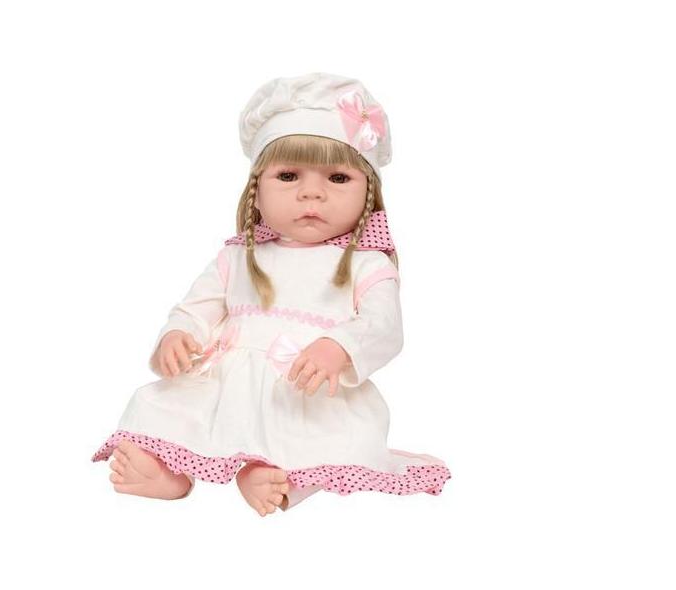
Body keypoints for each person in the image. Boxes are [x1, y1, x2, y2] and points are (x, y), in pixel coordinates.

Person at [91, 72, 452, 516]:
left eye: (338, 177)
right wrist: (178, 335)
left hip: (305, 392)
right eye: (288, 175)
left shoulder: (367, 264)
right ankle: (169, 474)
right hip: (227, 389)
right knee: (161, 407)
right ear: (256, 191)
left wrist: (339, 347)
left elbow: (384, 326)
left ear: (368, 193)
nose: (312, 192)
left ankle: (273, 479)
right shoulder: (239, 256)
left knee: (339, 440)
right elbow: (195, 308)